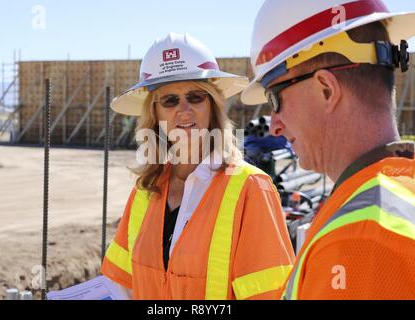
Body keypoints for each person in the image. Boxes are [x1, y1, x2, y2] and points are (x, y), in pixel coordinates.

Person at [100, 33, 295, 300]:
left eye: (196, 97)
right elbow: (121, 287)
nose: (184, 111)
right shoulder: (144, 190)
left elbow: (268, 295)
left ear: (213, 106)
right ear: (154, 113)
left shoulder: (250, 188)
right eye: (170, 100)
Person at [242, 0, 415, 299]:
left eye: (274, 100)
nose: (275, 126)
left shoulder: (358, 239)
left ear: (326, 89)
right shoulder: (401, 190)